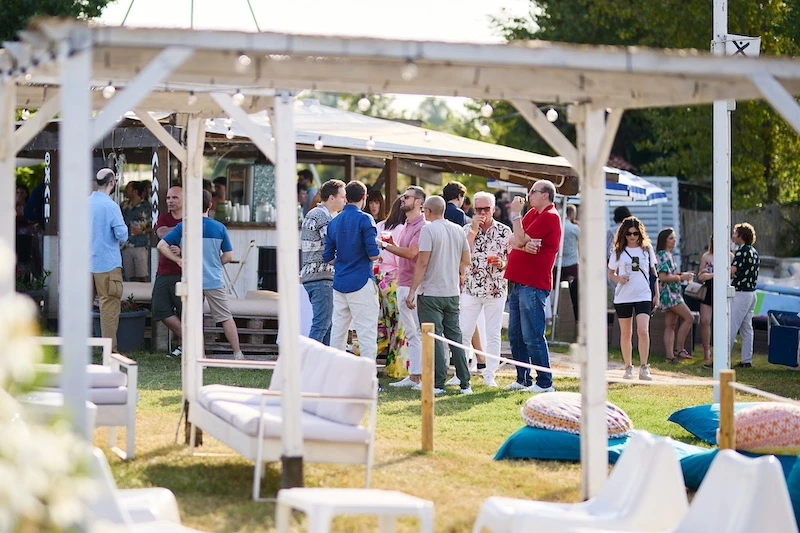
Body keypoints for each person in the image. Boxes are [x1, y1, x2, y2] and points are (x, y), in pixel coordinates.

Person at [157, 189, 245, 360]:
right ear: (210, 205)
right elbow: (229, 256)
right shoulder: (219, 227)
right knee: (225, 317)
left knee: (195, 320)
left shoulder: (184, 226)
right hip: (213, 279)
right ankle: (238, 353)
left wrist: (178, 260)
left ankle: (200, 356)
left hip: (192, 281)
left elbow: (161, 245)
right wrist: (214, 263)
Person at [405, 195, 472, 395]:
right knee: (455, 337)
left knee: (433, 337)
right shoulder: (458, 229)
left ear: (428, 211)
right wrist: (454, 270)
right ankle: (465, 383)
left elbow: (423, 263)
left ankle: (438, 383)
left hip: (431, 292)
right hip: (451, 291)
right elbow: (466, 260)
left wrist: (412, 291)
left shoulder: (428, 229)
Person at [504, 180, 562, 392]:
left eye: (533, 192)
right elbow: (514, 239)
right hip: (519, 282)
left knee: (533, 335)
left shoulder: (549, 217)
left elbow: (517, 239)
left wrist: (516, 216)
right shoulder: (534, 214)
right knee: (516, 335)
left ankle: (545, 383)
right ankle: (523, 379)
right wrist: (521, 242)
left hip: (533, 284)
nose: (529, 195)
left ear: (545, 195)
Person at [323, 180, 381, 361]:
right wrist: (381, 247)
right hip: (361, 281)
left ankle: (336, 375)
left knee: (338, 332)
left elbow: (328, 257)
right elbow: (373, 255)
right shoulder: (365, 219)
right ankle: (368, 377)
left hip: (340, 282)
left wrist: (343, 260)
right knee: (366, 332)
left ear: (346, 197)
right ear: (364, 198)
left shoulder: (334, 221)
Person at [459, 191, 511, 388]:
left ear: (493, 209)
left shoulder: (505, 232)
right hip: (471, 288)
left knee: (493, 333)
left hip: (496, 288)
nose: (482, 213)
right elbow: (463, 256)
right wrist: (473, 230)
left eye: (486, 209)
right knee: (464, 331)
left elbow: (511, 260)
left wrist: (503, 263)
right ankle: (461, 374)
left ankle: (490, 374)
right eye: (478, 209)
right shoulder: (466, 229)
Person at [385, 186, 427, 389]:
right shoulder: (407, 225)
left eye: (407, 197)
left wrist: (386, 246)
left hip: (415, 286)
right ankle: (414, 376)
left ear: (419, 202)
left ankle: (423, 377)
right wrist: (392, 244)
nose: (402, 199)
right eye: (403, 196)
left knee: (419, 332)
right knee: (411, 334)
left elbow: (412, 253)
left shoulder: (422, 226)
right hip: (402, 282)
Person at [608, 216, 659, 380]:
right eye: (629, 233)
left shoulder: (647, 249)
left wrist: (656, 294)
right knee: (626, 333)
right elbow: (611, 273)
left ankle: (644, 367)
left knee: (643, 330)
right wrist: (618, 279)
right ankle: (628, 366)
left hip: (643, 294)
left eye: (635, 233)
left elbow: (653, 273)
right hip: (624, 295)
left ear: (640, 233)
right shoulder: (618, 251)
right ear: (623, 234)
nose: (632, 237)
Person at [300, 179, 346, 345]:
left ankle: (324, 365)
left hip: (314, 276)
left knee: (328, 325)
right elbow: (332, 245)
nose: (345, 201)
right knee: (322, 324)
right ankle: (308, 364)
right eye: (342, 197)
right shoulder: (322, 216)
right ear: (332, 198)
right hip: (320, 277)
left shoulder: (314, 213)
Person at [90, 168, 128, 353]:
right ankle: (109, 350)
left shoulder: (83, 204)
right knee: (109, 306)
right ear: (112, 182)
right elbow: (122, 234)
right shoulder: (111, 206)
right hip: (107, 262)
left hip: (84, 262)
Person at [375, 197, 407, 377]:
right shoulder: (402, 230)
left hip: (378, 278)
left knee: (381, 325)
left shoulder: (380, 226)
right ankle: (396, 368)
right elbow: (400, 258)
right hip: (395, 280)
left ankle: (354, 355)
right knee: (398, 327)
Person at [152, 186, 184, 358]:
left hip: (184, 272)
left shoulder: (193, 218)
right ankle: (189, 339)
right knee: (159, 308)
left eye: (175, 198)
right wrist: (183, 229)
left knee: (184, 311)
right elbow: (161, 233)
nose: (170, 201)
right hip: (164, 271)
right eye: (168, 198)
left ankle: (182, 347)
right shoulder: (163, 217)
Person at [655, 228, 696, 362]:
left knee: (670, 325)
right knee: (689, 318)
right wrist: (681, 277)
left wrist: (682, 275)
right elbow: (663, 277)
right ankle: (679, 349)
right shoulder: (662, 255)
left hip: (673, 293)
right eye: (671, 238)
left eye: (674, 238)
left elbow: (670, 275)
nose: (674, 241)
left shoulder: (669, 254)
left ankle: (669, 356)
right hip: (670, 295)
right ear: (664, 240)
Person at [730, 222, 760, 369]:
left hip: (741, 293)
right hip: (752, 293)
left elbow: (732, 271)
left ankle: (723, 359)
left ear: (741, 236)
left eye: (735, 233)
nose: (733, 236)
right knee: (747, 328)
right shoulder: (754, 252)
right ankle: (746, 360)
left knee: (731, 326)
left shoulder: (741, 252)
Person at [697, 236, 726, 369]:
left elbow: (729, 275)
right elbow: (701, 276)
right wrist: (709, 275)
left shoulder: (729, 256)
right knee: (705, 321)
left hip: (722, 291)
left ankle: (720, 351)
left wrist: (713, 275)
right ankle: (706, 350)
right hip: (708, 290)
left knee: (720, 322)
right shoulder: (706, 256)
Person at [121, 180, 152, 282]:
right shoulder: (123, 206)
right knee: (128, 276)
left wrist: (142, 232)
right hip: (125, 245)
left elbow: (154, 226)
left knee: (143, 275)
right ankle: (131, 297)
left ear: (135, 191)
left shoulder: (147, 207)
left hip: (141, 245)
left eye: (128, 188)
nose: (126, 190)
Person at [557, 203, 580, 320]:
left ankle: (554, 314)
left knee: (554, 291)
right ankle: (576, 317)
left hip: (557, 262)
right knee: (575, 292)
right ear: (572, 214)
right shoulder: (574, 228)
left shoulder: (558, 226)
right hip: (572, 262)